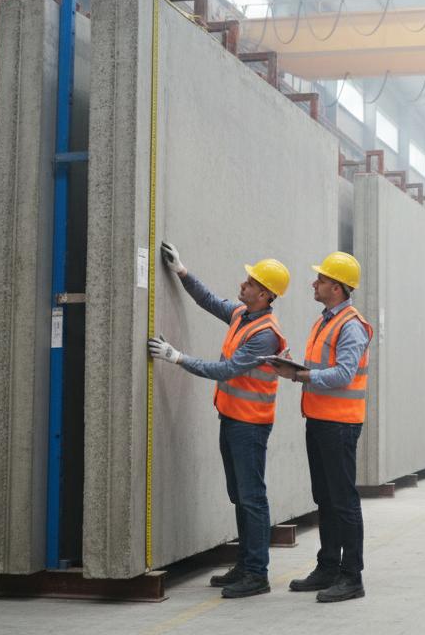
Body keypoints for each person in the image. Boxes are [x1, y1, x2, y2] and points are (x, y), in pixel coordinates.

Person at [147, 241, 289, 599]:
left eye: (250, 283)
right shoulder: (243, 315)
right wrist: (182, 270)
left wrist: (177, 357)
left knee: (252, 497)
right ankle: (245, 564)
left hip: (250, 425)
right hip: (232, 418)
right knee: (239, 495)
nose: (242, 285)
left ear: (265, 295)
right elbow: (208, 299)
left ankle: (257, 574)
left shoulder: (265, 333)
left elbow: (226, 370)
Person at [269, 252, 372, 603]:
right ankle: (328, 567)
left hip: (340, 424)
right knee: (325, 499)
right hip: (319, 419)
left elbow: (343, 374)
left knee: (343, 501)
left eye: (322, 280)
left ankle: (351, 576)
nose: (315, 283)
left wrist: (303, 375)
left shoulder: (351, 325)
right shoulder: (325, 320)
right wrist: (295, 369)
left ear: (338, 288)